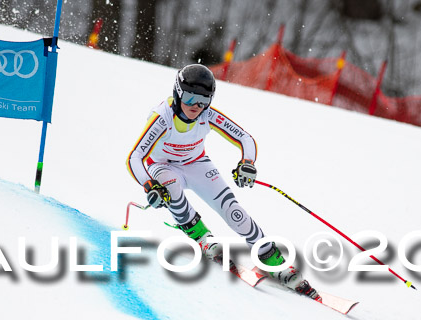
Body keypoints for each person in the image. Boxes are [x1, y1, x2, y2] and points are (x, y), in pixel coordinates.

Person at [126, 64, 317, 297]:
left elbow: (245, 138)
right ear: (177, 92)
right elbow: (135, 157)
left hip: (197, 163)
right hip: (163, 167)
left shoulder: (207, 115)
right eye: (189, 97)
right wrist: (149, 185)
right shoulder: (161, 118)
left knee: (233, 212)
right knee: (171, 189)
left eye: (203, 100)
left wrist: (247, 162)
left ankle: (272, 260)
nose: (196, 106)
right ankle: (203, 238)